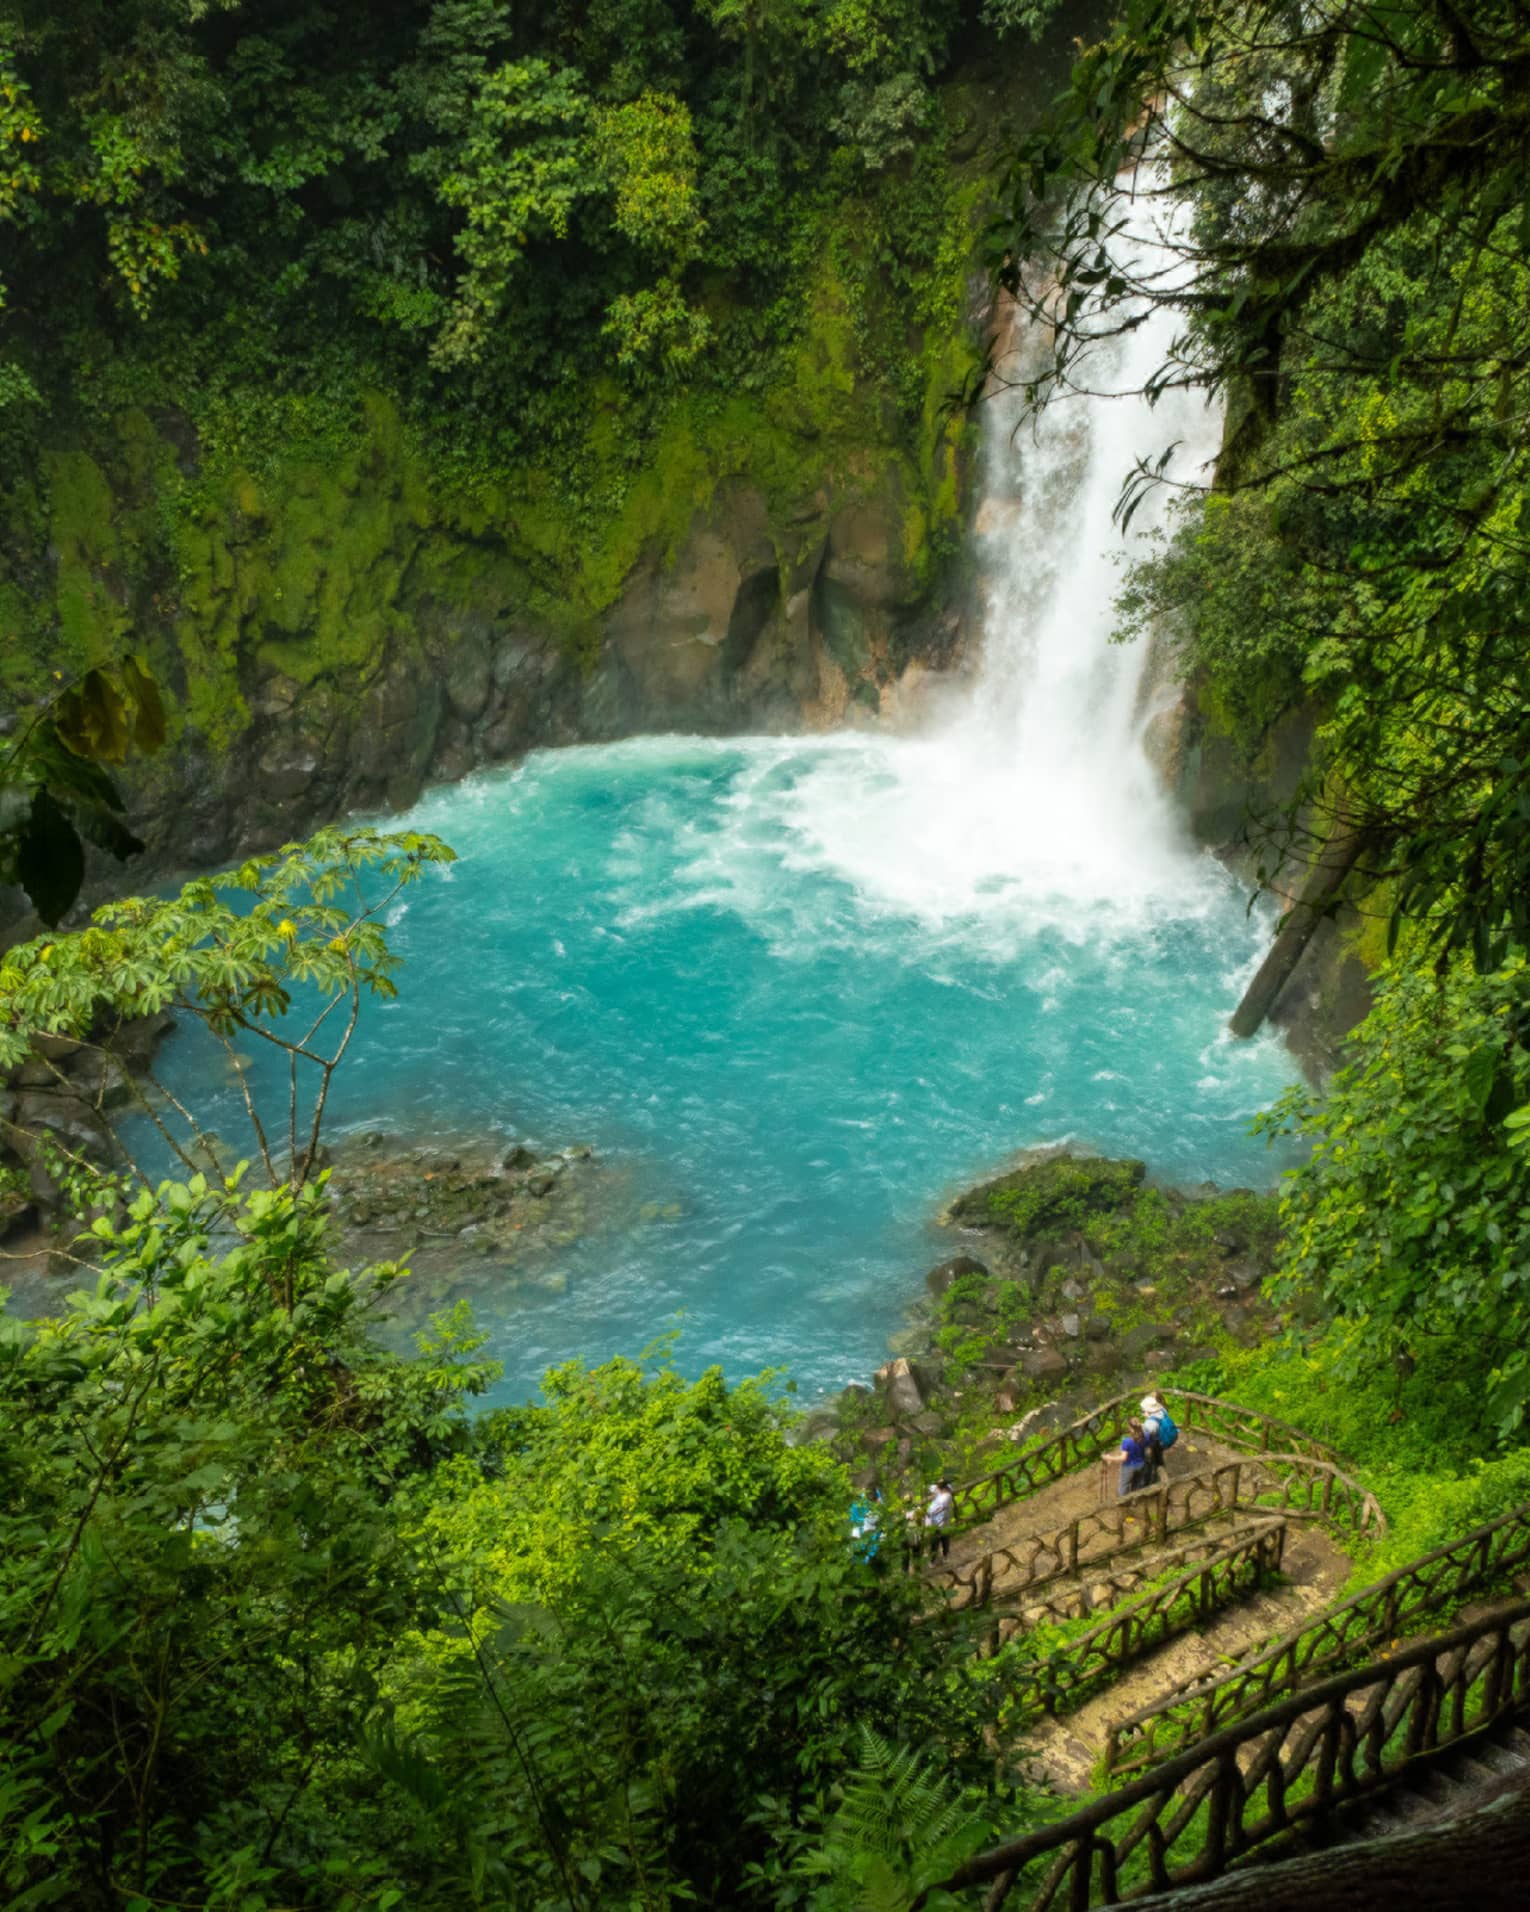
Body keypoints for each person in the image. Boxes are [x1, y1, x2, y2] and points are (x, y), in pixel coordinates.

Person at [1104, 1419, 1149, 1498]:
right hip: (1142, 1464)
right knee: (1138, 1482)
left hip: (1128, 1466)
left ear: (1131, 1429)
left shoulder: (1127, 1441)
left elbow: (1123, 1458)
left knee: (1124, 1485)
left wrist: (1110, 1458)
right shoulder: (1146, 1436)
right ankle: (1136, 1497)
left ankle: (1123, 1500)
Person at [925, 1478, 955, 1560]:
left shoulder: (946, 1497)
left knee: (939, 1542)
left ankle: (939, 1558)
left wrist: (927, 1513)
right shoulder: (945, 1491)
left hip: (940, 1523)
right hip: (939, 1522)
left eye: (938, 1488)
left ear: (942, 1488)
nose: (936, 1489)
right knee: (942, 1541)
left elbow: (935, 1510)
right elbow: (931, 1487)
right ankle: (939, 1558)